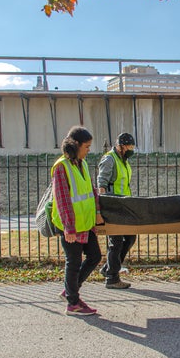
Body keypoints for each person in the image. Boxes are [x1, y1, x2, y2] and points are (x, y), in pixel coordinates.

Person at [52, 126, 104, 316]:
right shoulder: (61, 167)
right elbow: (63, 199)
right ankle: (73, 303)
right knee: (73, 263)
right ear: (76, 145)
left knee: (95, 256)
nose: (89, 150)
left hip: (86, 223)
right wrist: (69, 228)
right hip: (71, 226)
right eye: (87, 146)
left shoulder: (82, 163)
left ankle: (70, 290)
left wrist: (97, 213)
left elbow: (92, 191)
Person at [97, 132, 137, 289]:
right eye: (129, 147)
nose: (131, 150)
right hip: (113, 207)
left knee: (130, 238)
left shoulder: (124, 161)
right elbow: (101, 184)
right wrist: (102, 208)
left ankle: (108, 268)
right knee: (116, 242)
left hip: (124, 206)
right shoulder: (109, 159)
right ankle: (112, 278)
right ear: (120, 146)